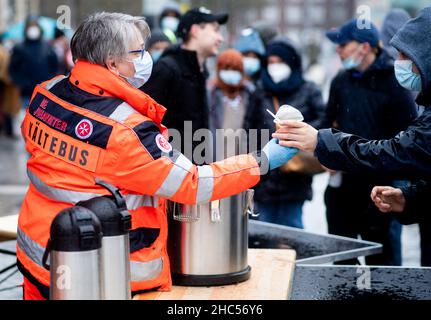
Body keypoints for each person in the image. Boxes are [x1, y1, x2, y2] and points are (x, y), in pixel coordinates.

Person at [17, 12, 298, 300]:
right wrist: (261, 161)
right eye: (138, 52)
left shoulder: (45, 94)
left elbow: (40, 149)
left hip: (37, 251)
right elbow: (192, 183)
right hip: (100, 272)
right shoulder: (126, 130)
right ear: (113, 63)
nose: (146, 58)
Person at [274, 7, 431, 265]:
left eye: (343, 45)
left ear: (364, 47)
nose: (338, 51)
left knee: (384, 269)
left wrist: (323, 142)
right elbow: (328, 121)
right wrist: (324, 151)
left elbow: (404, 148)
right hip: (343, 188)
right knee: (342, 264)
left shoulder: (394, 84)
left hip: (379, 188)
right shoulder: (340, 80)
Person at [253, 36, 326, 229]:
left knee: (292, 235)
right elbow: (249, 130)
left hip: (296, 177)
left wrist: (296, 130)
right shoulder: (260, 91)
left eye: (281, 62)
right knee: (263, 236)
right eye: (271, 62)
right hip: (264, 178)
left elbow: (323, 123)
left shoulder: (309, 90)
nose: (275, 66)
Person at [142, 7, 227, 163]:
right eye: (215, 30)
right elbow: (143, 122)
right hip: (170, 174)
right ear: (195, 31)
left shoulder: (200, 71)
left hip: (195, 172)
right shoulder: (167, 69)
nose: (220, 38)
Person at [208, 49, 264, 160]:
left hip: (243, 161)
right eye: (227, 69)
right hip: (216, 161)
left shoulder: (251, 95)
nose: (231, 73)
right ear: (219, 70)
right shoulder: (210, 95)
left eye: (235, 69)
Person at [8, 16, 59, 110]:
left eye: (34, 26)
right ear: (26, 29)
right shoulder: (19, 48)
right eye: (30, 26)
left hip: (45, 91)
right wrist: (21, 83)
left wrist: (50, 81)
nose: (32, 29)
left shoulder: (47, 47)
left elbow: (55, 66)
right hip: (26, 93)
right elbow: (12, 69)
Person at [0, 35, 20, 138]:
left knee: (7, 109)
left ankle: (7, 129)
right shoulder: (3, 52)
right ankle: (8, 130)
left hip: (6, 85)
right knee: (7, 109)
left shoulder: (4, 52)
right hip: (6, 84)